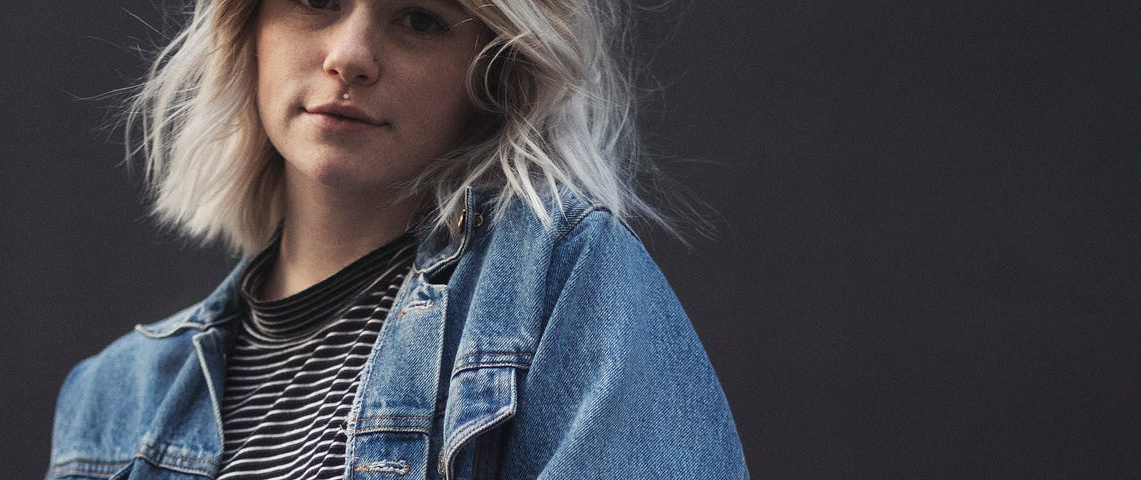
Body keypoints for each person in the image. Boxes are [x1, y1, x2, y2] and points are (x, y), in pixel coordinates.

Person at [47, 0, 747, 478]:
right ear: (247, 28)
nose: (350, 56)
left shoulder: (560, 285)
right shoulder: (112, 403)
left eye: (418, 18)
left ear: (493, 72)